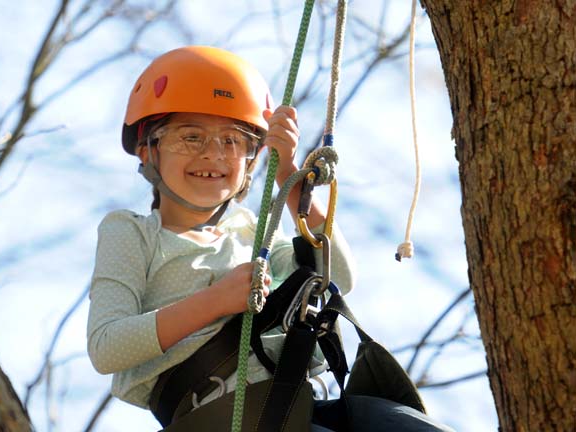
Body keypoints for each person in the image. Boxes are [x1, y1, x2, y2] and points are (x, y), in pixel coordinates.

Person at [87, 46, 452, 432]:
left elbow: (339, 275)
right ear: (147, 150)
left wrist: (290, 177)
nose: (213, 154)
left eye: (233, 141)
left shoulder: (253, 232)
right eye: (190, 137)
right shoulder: (131, 232)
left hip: (296, 400)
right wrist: (217, 300)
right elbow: (107, 346)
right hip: (219, 415)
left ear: (250, 159)